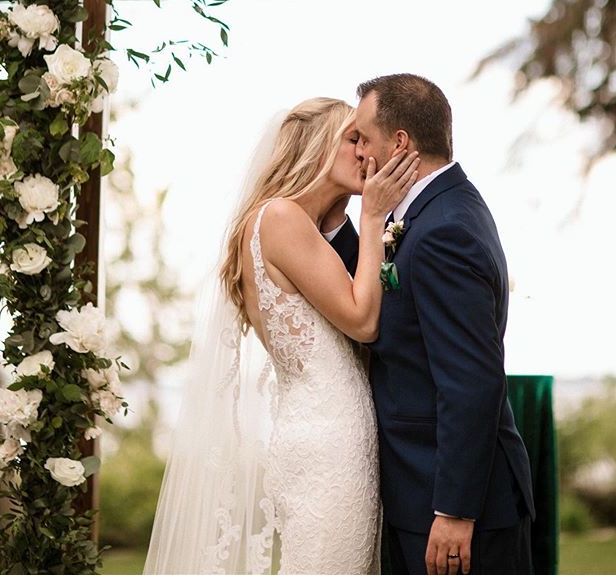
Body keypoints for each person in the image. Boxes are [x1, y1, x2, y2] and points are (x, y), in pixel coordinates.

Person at [143, 97, 419, 575]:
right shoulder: (281, 219)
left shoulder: (290, 223)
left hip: (321, 436)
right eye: (352, 139)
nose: (364, 153)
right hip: (328, 447)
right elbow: (363, 320)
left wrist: (344, 219)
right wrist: (374, 219)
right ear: (314, 149)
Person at [326, 74, 535, 575]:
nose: (357, 153)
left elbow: (471, 381)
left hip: (454, 510)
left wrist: (454, 510)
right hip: (419, 491)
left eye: (363, 139)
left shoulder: (445, 231)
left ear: (399, 144)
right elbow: (389, 292)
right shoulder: (433, 214)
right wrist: (336, 213)